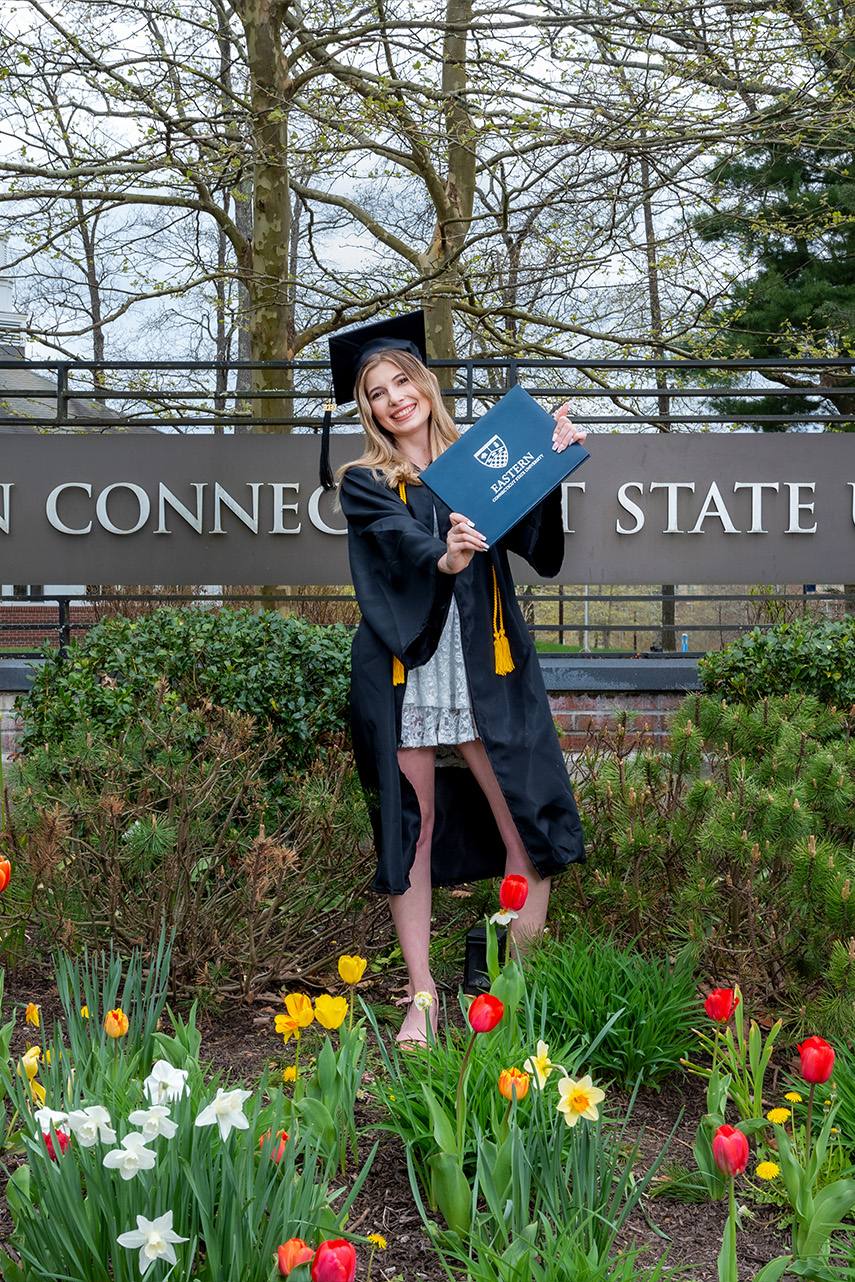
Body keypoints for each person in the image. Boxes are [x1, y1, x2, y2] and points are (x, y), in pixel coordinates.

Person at [326, 312, 587, 1045]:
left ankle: (505, 988)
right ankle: (422, 997)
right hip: (407, 665)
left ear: (423, 383)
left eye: (400, 381)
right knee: (413, 828)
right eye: (375, 392)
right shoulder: (367, 481)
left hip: (485, 664)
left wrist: (550, 461)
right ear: (367, 408)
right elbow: (398, 544)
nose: (391, 399)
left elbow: (540, 547)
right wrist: (444, 557)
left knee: (525, 827)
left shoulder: (483, 457)